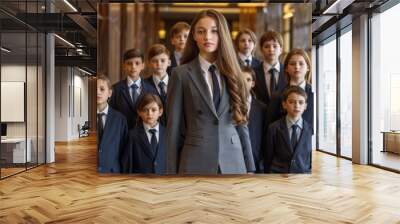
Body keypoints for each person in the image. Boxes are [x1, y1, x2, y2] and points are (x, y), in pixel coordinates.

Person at [166, 9, 255, 174]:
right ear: (193, 35)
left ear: (222, 35)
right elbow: (173, 128)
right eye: (201, 31)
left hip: (233, 161)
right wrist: (171, 171)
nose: (207, 37)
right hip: (195, 160)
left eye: (214, 31)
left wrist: (250, 167)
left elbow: (241, 123)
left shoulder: (236, 73)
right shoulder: (180, 74)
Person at [264, 86, 312, 173]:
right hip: (278, 176)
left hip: (303, 177)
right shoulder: (273, 128)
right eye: (291, 102)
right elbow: (268, 157)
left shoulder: (311, 130)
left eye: (301, 102)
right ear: (284, 104)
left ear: (305, 106)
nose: (297, 106)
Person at [266, 48, 314, 132]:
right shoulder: (277, 96)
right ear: (286, 68)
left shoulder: (315, 94)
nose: (297, 67)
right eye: (292, 64)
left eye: (301, 64)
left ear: (308, 68)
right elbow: (270, 127)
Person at [109, 48, 154, 129]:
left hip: (143, 134)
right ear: (124, 66)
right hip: (122, 135)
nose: (133, 67)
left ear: (143, 66)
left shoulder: (151, 89)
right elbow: (112, 115)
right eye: (129, 63)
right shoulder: (115, 89)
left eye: (137, 63)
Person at [122, 94, 166, 174]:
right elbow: (128, 165)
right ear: (139, 112)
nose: (149, 114)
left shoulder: (168, 134)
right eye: (145, 110)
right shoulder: (133, 135)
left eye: (153, 110)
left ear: (160, 112)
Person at [97, 74, 128, 173]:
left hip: (112, 172)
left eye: (102, 89)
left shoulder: (120, 119)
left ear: (110, 93)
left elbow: (124, 149)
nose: (97, 92)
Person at [242, 66, 267, 173]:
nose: (244, 83)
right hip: (235, 158)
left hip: (256, 160)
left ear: (253, 83)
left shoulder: (262, 108)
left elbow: (264, 135)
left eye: (248, 80)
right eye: (240, 79)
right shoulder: (228, 106)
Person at [253, 30, 287, 107]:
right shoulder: (254, 72)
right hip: (261, 116)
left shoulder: (287, 71)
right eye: (266, 46)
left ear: (281, 50)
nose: (271, 49)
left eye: (275, 46)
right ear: (261, 50)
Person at [144, 44, 171, 125]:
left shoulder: (177, 83)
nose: (159, 64)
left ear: (169, 62)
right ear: (149, 63)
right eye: (155, 61)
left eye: (163, 60)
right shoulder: (143, 85)